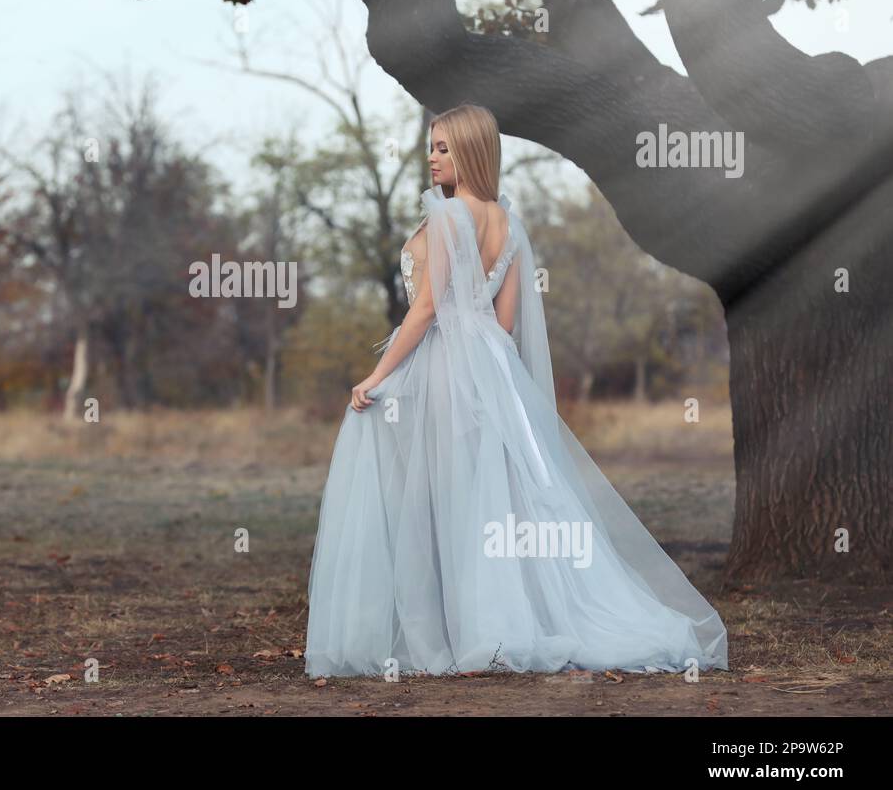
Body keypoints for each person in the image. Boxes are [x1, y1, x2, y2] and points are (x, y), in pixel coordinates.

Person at [303, 103, 729, 678]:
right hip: (492, 371)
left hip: (446, 366)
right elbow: (505, 324)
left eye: (444, 148)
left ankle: (457, 631)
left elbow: (427, 308)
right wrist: (485, 367)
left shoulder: (450, 216)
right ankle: (492, 624)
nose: (432, 157)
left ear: (472, 152)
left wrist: (377, 376)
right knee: (492, 502)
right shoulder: (510, 226)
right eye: (431, 146)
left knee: (440, 494)